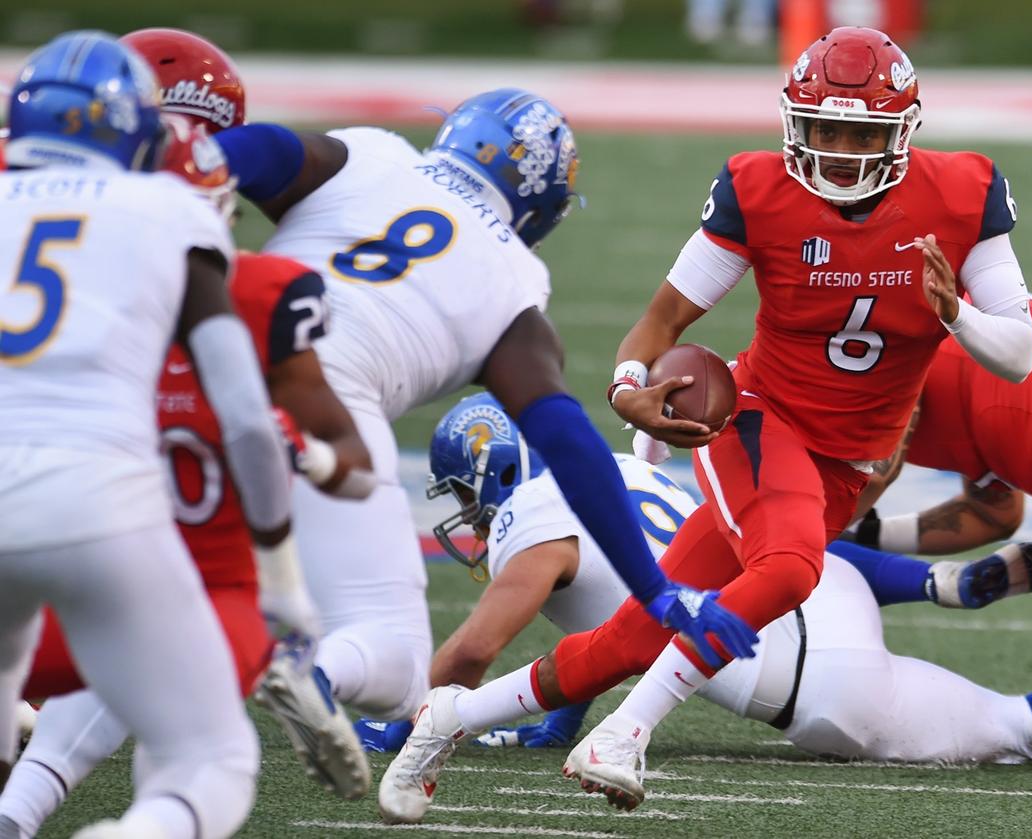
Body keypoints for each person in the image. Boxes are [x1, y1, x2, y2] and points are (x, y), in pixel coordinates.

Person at [391, 25, 1032, 815]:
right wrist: (628, 388)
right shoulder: (759, 189)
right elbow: (660, 322)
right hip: (762, 421)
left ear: (901, 131)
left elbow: (1019, 353)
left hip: (849, 462)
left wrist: (957, 316)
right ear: (795, 122)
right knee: (792, 568)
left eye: (860, 134)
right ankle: (625, 732)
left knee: (629, 640)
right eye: (824, 129)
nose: (838, 151)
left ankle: (450, 716)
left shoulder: (965, 191)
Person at [199, 58, 757, 811]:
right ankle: (316, 672)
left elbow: (265, 148)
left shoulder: (373, 152)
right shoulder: (512, 281)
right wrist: (655, 592)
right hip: (321, 408)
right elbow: (569, 442)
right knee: (398, 668)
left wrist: (182, 171)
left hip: (187, 353)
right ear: (543, 204)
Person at [377, 394, 1032, 768]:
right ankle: (943, 584)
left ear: (497, 469)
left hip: (814, 679)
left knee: (1013, 727)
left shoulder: (531, 519)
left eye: (466, 490)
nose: (469, 509)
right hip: (818, 584)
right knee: (781, 549)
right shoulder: (624, 469)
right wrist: (560, 720)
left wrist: (407, 724)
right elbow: (613, 611)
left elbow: (473, 652)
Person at [0, 116, 375, 837]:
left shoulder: (55, 280)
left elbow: (345, 462)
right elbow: (264, 431)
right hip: (173, 568)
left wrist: (306, 453)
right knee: (207, 752)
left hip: (70, 550)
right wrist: (287, 580)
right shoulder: (250, 289)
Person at [843, 297, 1032, 709]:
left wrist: (807, 534)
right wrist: (864, 534)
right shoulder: (964, 314)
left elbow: (866, 477)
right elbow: (991, 514)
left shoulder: (872, 340)